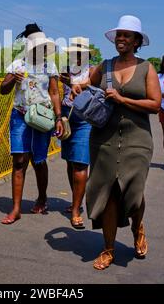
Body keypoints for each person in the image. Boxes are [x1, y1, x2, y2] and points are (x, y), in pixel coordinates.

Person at [71, 15, 161, 270]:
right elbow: (87, 85)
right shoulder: (106, 66)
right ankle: (108, 249)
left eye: (127, 35)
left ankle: (137, 227)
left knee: (132, 192)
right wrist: (79, 88)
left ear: (136, 41)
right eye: (119, 35)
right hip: (104, 139)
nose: (121, 39)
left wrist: (123, 101)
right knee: (108, 193)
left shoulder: (147, 68)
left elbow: (155, 104)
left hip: (137, 139)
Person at [0, 23, 63, 224]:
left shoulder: (50, 67)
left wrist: (59, 117)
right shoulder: (17, 65)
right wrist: (12, 79)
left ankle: (42, 197)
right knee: (19, 161)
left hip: (42, 118)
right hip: (20, 116)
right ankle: (16, 208)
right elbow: (3, 89)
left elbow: (54, 93)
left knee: (38, 161)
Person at [59, 37, 94, 229]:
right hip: (66, 118)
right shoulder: (65, 69)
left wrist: (73, 84)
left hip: (84, 119)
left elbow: (91, 86)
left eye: (80, 53)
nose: (76, 56)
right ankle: (76, 201)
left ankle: (75, 211)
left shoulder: (92, 71)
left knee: (81, 163)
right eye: (73, 53)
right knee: (70, 161)